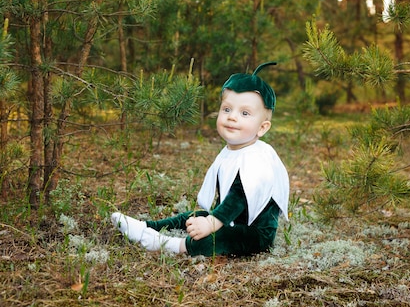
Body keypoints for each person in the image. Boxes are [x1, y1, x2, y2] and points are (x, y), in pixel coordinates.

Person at [111, 62, 290, 256]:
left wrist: (212, 223)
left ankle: (164, 243)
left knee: (214, 239)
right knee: (194, 217)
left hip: (254, 233)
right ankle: (148, 226)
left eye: (244, 113)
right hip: (231, 220)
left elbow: (237, 199)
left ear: (262, 128)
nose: (232, 117)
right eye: (227, 109)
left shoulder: (257, 159)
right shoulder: (232, 150)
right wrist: (209, 219)